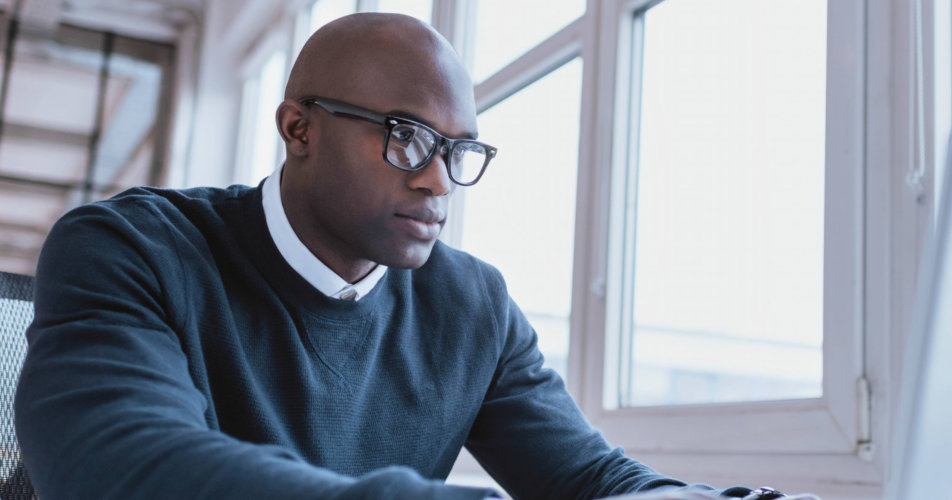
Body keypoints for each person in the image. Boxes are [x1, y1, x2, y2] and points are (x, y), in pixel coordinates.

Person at [13, 13, 790, 500]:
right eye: (405, 135)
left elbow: (586, 479)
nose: (436, 179)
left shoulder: (474, 308)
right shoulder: (130, 249)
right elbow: (116, 468)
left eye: (460, 150)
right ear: (298, 129)